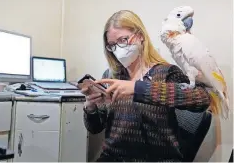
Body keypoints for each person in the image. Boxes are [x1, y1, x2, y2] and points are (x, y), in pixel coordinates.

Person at [82, 10, 211, 162]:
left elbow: (202, 99)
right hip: (113, 157)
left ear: (140, 36)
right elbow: (95, 128)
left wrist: (137, 88)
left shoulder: (166, 72)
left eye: (123, 40)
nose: (118, 49)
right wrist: (90, 106)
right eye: (112, 45)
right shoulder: (111, 76)